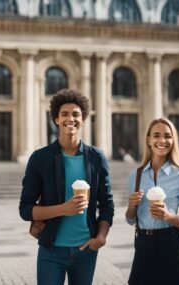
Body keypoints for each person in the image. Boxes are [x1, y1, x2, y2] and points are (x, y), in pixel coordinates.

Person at [19, 89, 114, 285]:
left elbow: (106, 204)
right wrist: (64, 209)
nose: (70, 118)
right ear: (56, 119)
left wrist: (101, 237)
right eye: (65, 114)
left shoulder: (96, 158)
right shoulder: (40, 158)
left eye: (76, 114)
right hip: (51, 250)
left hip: (86, 250)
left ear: (83, 119)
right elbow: (25, 209)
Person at [125, 117, 179, 285]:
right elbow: (130, 219)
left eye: (167, 136)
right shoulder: (135, 176)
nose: (162, 140)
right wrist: (131, 206)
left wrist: (169, 217)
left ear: (173, 140)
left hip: (171, 244)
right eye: (156, 135)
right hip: (143, 245)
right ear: (148, 140)